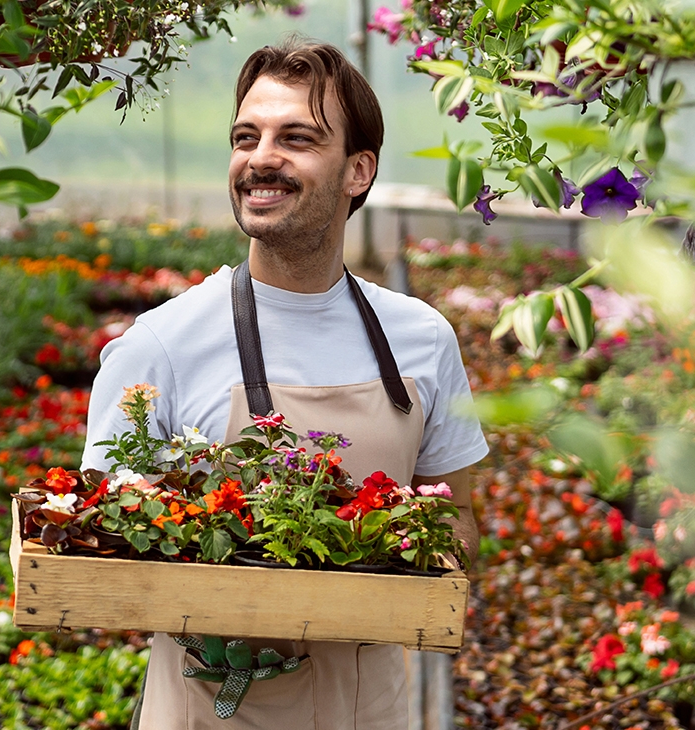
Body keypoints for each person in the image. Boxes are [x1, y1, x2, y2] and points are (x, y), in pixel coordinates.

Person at [82, 37, 488, 730]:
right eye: (247, 136)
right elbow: (99, 558)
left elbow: (465, 525)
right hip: (212, 712)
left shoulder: (421, 339)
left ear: (358, 170)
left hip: (376, 713)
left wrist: (390, 558)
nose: (260, 158)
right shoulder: (160, 346)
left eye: (296, 137)